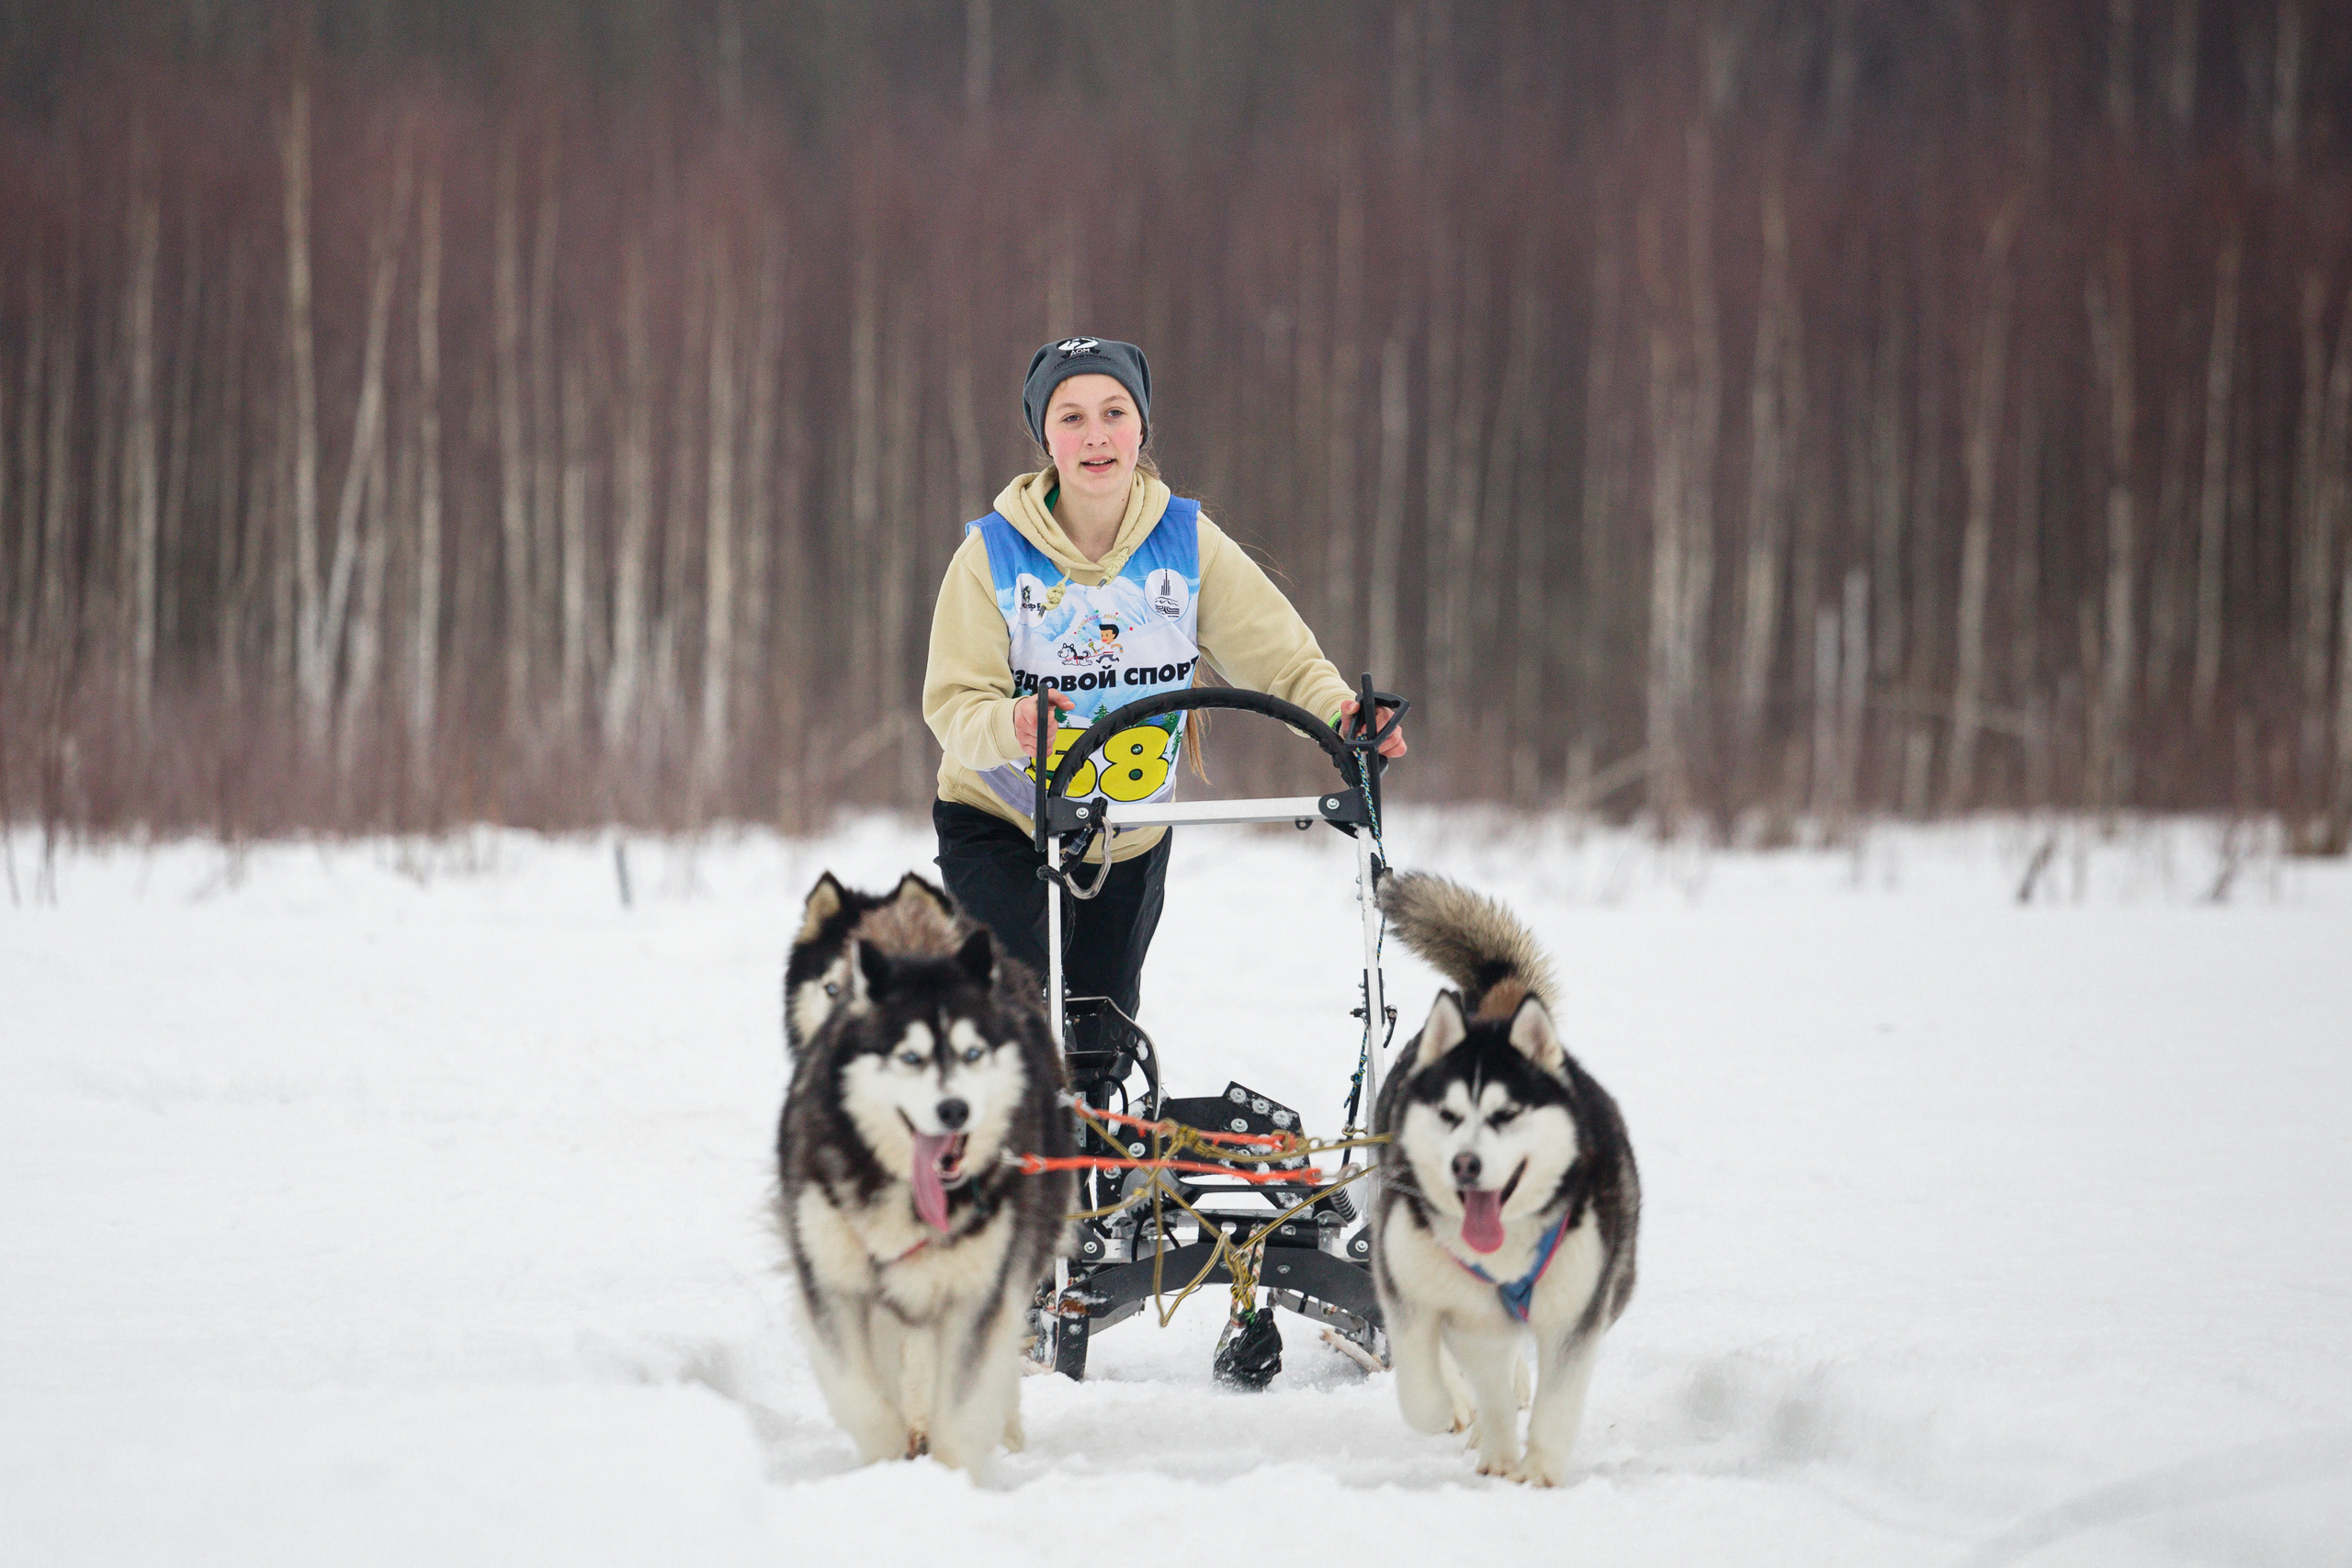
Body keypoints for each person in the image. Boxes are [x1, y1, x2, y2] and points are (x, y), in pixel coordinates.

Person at [922, 336, 1406, 1037]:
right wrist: (1013, 723)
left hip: (1127, 832)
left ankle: (1098, 1107)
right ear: (1045, 438)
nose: (1096, 435)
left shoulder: (1187, 543)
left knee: (1103, 1034)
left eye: (1114, 412)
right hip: (1001, 820)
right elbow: (954, 705)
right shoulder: (991, 555)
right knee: (1013, 1016)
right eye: (1072, 417)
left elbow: (1283, 659)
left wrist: (1345, 715)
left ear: (1142, 428)